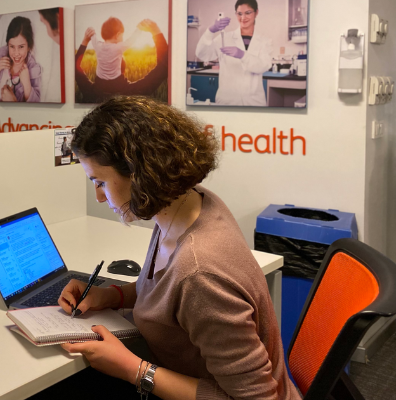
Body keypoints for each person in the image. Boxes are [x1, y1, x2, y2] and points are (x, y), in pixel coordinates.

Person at [44, 96, 301, 400]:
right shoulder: (186, 204)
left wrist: (134, 369)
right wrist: (110, 296)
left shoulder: (200, 271)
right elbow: (166, 294)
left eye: (100, 182)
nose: (99, 198)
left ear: (138, 174)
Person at [195, 0, 272, 106]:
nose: (243, 18)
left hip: (254, 101)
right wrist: (211, 30)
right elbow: (202, 54)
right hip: (227, 100)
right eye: (239, 14)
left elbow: (263, 66)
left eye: (248, 13)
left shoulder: (264, 41)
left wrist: (242, 55)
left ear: (256, 12)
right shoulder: (224, 38)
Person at [75, 20, 168, 104]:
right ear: (122, 69)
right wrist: (155, 31)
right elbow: (164, 67)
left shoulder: (89, 92)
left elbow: (73, 67)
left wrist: (85, 41)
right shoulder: (132, 94)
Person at [0, 16, 42, 102]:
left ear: (29, 46)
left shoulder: (33, 69)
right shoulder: (1, 56)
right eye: (12, 46)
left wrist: (27, 84)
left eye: (21, 47)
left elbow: (35, 104)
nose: (16, 53)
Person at [90, 17, 142, 90]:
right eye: (122, 36)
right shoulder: (118, 48)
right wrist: (139, 29)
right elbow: (130, 41)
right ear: (117, 35)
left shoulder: (98, 46)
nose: (123, 38)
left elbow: (93, 37)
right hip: (116, 82)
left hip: (100, 82)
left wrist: (92, 31)